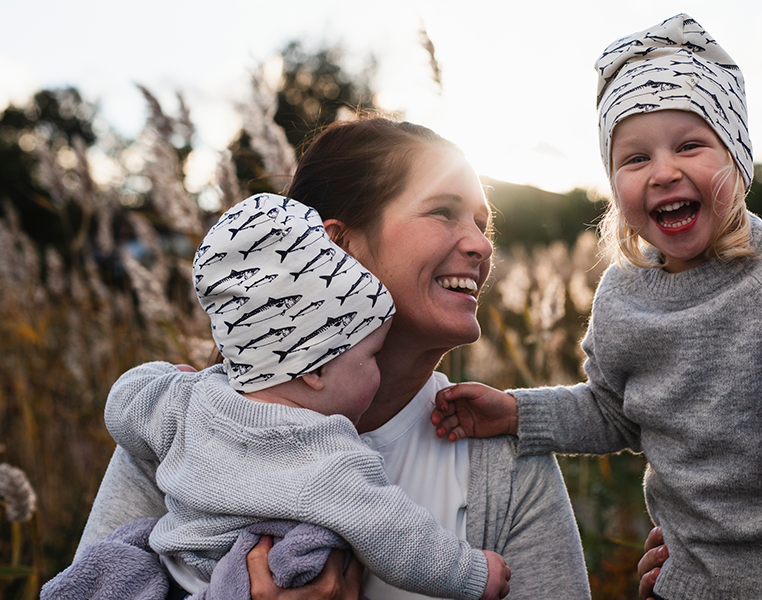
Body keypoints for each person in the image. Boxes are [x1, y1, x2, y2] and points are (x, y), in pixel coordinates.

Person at [430, 14, 762, 600]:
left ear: (737, 161)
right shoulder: (622, 298)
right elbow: (614, 411)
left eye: (691, 145)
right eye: (635, 159)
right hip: (686, 583)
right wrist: (517, 413)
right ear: (613, 185)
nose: (664, 172)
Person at [72, 117, 590, 599]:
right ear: (336, 246)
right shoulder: (186, 430)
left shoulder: (503, 460)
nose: (481, 245)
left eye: (483, 223)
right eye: (443, 212)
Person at [63, 193, 508, 600]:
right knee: (313, 551)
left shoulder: (190, 400)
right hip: (239, 583)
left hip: (166, 575)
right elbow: (397, 534)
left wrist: (169, 378)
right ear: (314, 370)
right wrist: (473, 573)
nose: (377, 368)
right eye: (372, 355)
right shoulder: (327, 454)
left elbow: (123, 404)